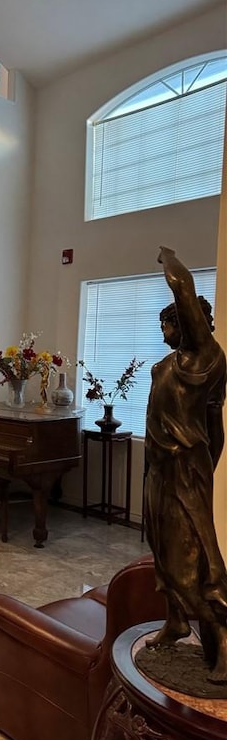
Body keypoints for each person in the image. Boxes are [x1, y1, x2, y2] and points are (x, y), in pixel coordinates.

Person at [144, 246, 227, 683]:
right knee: (161, 551)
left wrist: (169, 258)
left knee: (192, 556)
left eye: (169, 323)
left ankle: (222, 637)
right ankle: (176, 620)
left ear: (189, 322)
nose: (163, 331)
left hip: (184, 470)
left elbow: (214, 427)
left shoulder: (206, 358)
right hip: (158, 469)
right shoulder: (170, 363)